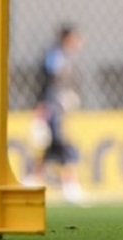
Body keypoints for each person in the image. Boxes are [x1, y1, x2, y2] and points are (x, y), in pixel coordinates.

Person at [31, 24, 86, 203]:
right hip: (52, 107)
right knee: (61, 144)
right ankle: (70, 184)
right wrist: (41, 104)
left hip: (58, 107)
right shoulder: (56, 55)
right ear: (67, 38)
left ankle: (34, 177)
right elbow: (46, 80)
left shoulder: (64, 56)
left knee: (52, 146)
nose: (79, 41)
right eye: (76, 37)